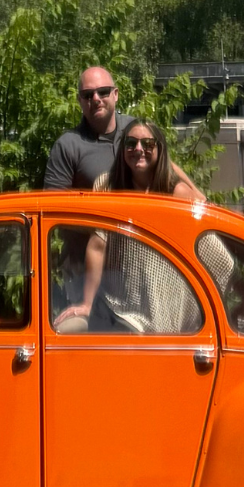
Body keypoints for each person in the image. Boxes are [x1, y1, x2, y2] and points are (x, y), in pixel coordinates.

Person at [63, 120, 204, 331]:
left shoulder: (176, 193)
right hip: (121, 302)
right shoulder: (107, 186)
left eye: (148, 144)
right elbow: (98, 245)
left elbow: (205, 244)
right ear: (122, 149)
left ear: (160, 149)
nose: (138, 149)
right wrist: (87, 304)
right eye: (131, 143)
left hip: (165, 301)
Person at [43, 66, 135, 189]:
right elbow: (54, 199)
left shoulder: (137, 131)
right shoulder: (68, 146)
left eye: (103, 91)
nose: (96, 98)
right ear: (79, 100)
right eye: (88, 94)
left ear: (115, 94)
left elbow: (161, 175)